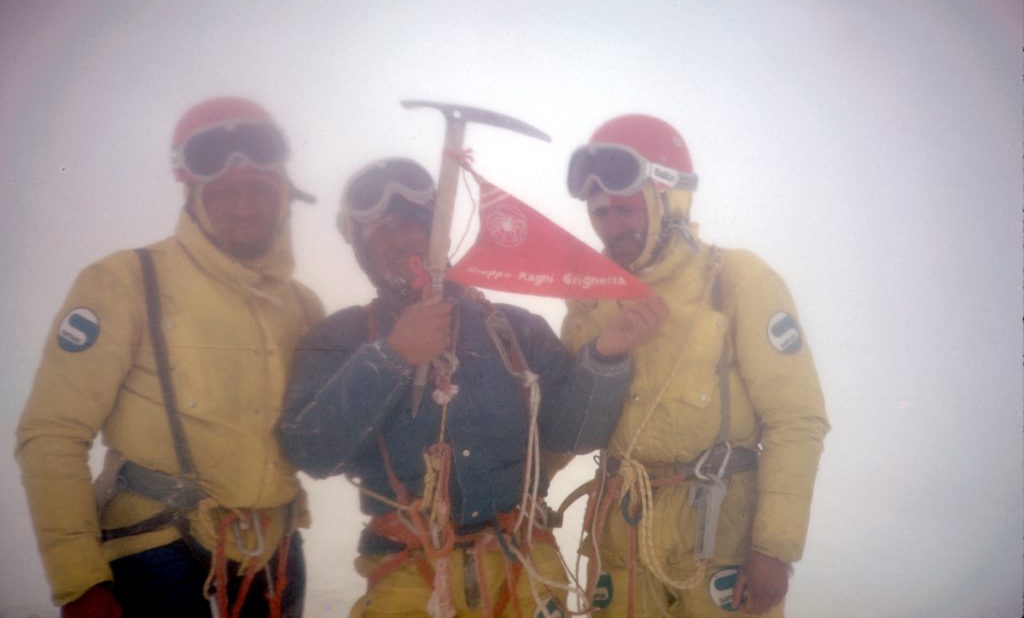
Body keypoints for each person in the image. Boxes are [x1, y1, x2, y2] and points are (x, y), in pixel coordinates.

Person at [276, 158, 667, 618]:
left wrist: (606, 358)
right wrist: (391, 358)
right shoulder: (340, 340)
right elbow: (311, 451)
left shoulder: (514, 331)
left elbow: (571, 435)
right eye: (378, 231)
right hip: (406, 569)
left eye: (409, 223)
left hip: (523, 563)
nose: (398, 240)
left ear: (437, 230)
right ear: (359, 246)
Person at [16, 97, 324, 618]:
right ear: (194, 194)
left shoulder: (302, 306)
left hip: (278, 560)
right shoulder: (127, 282)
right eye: (225, 193)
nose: (244, 207)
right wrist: (79, 581)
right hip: (156, 556)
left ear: (285, 194)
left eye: (258, 189)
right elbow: (53, 432)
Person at [560, 115, 829, 617]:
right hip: (621, 536)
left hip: (719, 539)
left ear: (669, 200)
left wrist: (775, 550)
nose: (611, 226)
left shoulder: (737, 279)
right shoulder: (590, 301)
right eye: (600, 213)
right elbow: (566, 424)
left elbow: (796, 418)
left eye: (624, 208)